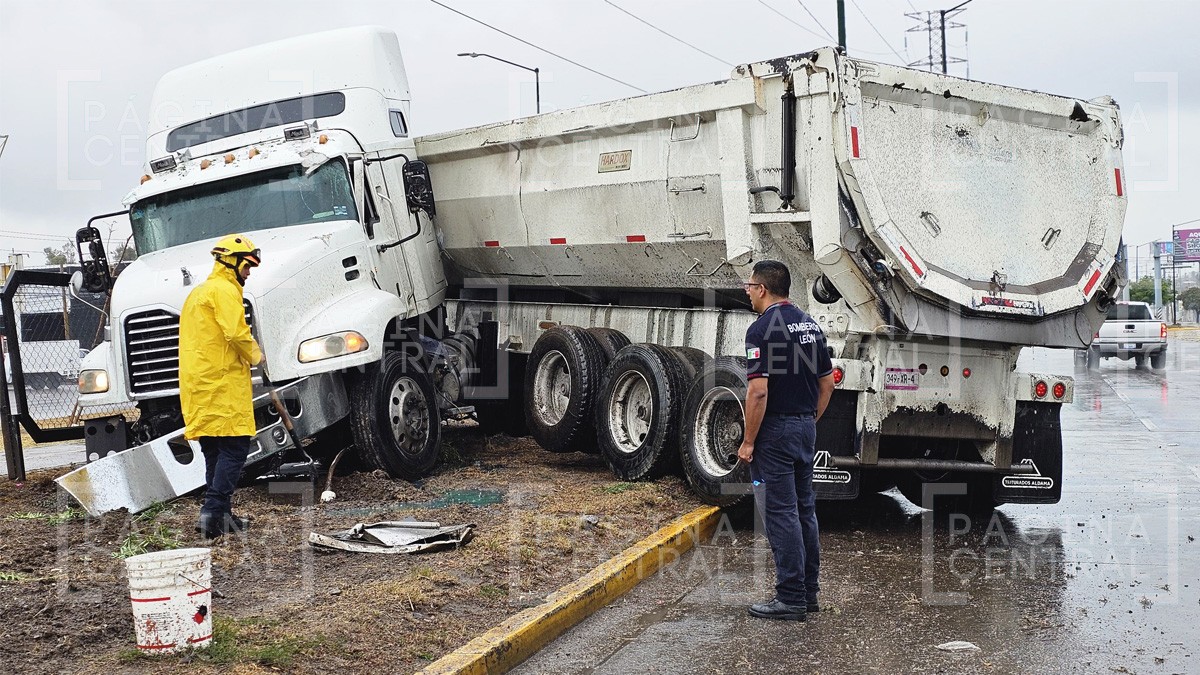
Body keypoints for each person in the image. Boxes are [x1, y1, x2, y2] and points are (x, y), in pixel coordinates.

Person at [737, 259, 835, 621]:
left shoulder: (760, 330)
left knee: (780, 514)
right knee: (805, 511)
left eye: (749, 286)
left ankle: (790, 597)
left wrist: (748, 441)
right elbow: (828, 382)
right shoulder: (810, 325)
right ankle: (808, 594)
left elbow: (758, 392)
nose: (747, 292)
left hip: (775, 433)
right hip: (804, 429)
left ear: (762, 288)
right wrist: (810, 419)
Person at [179, 234, 263, 539]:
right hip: (222, 384)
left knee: (214, 450)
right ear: (231, 262)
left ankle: (221, 518)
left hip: (199, 386)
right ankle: (212, 509)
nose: (249, 272)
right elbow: (236, 333)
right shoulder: (225, 291)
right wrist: (257, 356)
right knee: (236, 447)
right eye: (247, 265)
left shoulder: (198, 293)